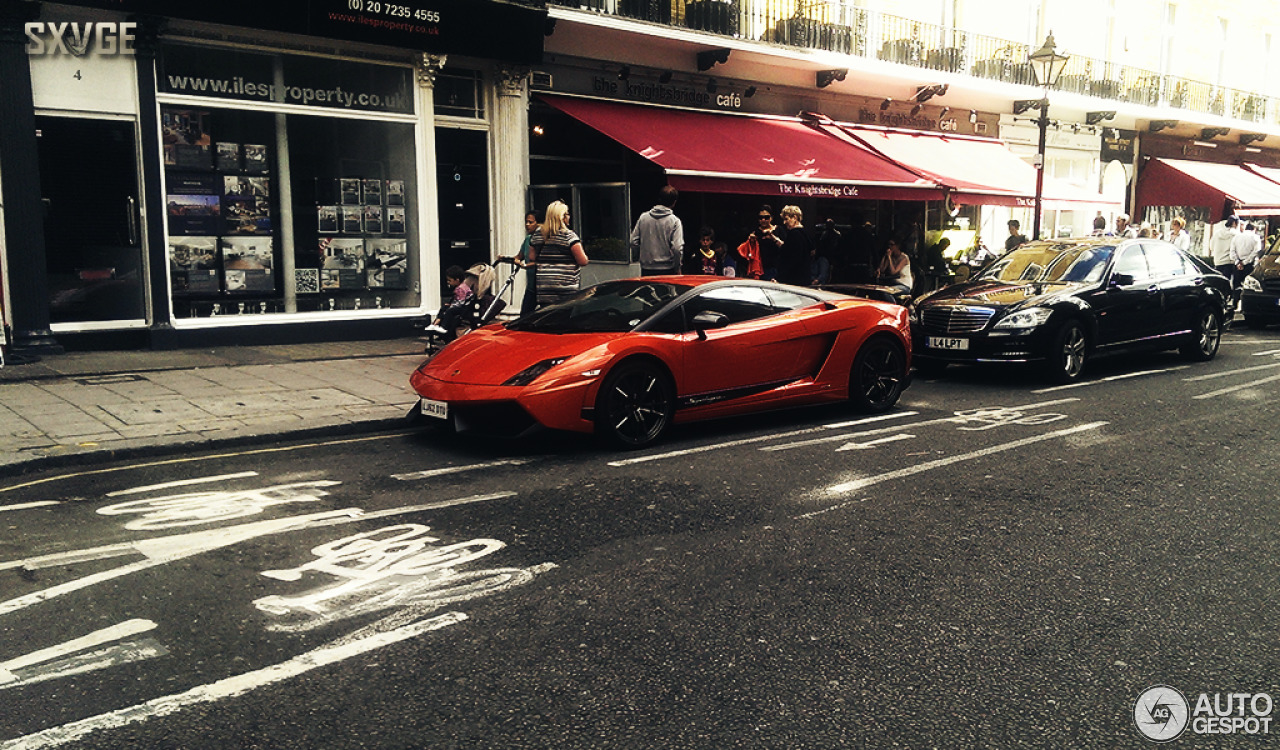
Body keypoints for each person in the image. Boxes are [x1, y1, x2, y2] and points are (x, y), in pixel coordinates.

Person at [528, 200, 589, 307]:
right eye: (567, 214)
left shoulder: (538, 234)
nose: (569, 216)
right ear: (562, 217)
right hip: (566, 287)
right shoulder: (569, 236)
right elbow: (582, 261)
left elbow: (532, 257)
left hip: (544, 287)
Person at [630, 185, 684, 276]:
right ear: (674, 203)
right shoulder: (675, 221)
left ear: (659, 199)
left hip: (646, 269)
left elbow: (633, 241)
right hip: (667, 269)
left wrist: (638, 258)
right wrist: (677, 267)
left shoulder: (643, 218)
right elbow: (677, 248)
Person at [431, 265, 475, 341]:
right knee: (445, 307)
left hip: (464, 307)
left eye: (449, 281)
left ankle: (443, 327)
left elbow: (461, 302)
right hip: (462, 305)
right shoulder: (463, 286)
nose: (448, 283)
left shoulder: (460, 289)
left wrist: (452, 306)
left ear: (457, 280)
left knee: (449, 311)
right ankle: (436, 323)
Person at [775, 205, 813, 286]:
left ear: (795, 218)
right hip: (804, 280)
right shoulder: (805, 234)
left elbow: (791, 259)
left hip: (792, 281)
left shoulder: (794, 234)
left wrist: (779, 278)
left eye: (786, 219)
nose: (784, 222)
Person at [512, 210, 541, 317]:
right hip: (531, 286)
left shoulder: (543, 240)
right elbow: (519, 256)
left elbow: (541, 261)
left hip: (542, 285)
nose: (527, 225)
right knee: (524, 314)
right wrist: (513, 259)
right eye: (526, 222)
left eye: (530, 222)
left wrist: (525, 265)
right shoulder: (528, 239)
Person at [740, 204, 777, 280]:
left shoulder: (778, 230)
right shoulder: (754, 232)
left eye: (766, 217)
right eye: (761, 218)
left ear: (771, 218)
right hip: (758, 268)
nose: (763, 220)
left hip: (775, 268)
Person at [1229, 220, 1263, 295]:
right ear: (1254, 229)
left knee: (1236, 285)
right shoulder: (1256, 238)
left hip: (1237, 265)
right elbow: (1256, 252)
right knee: (1248, 287)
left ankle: (1235, 302)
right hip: (1249, 266)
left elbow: (1232, 251)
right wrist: (1245, 262)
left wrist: (1238, 262)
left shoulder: (1236, 237)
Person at [1210, 215, 1240, 280]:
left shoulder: (1217, 233)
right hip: (1229, 262)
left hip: (1218, 261)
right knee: (1227, 283)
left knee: (1219, 282)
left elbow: (1211, 247)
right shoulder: (1236, 234)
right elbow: (1238, 249)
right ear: (1234, 223)